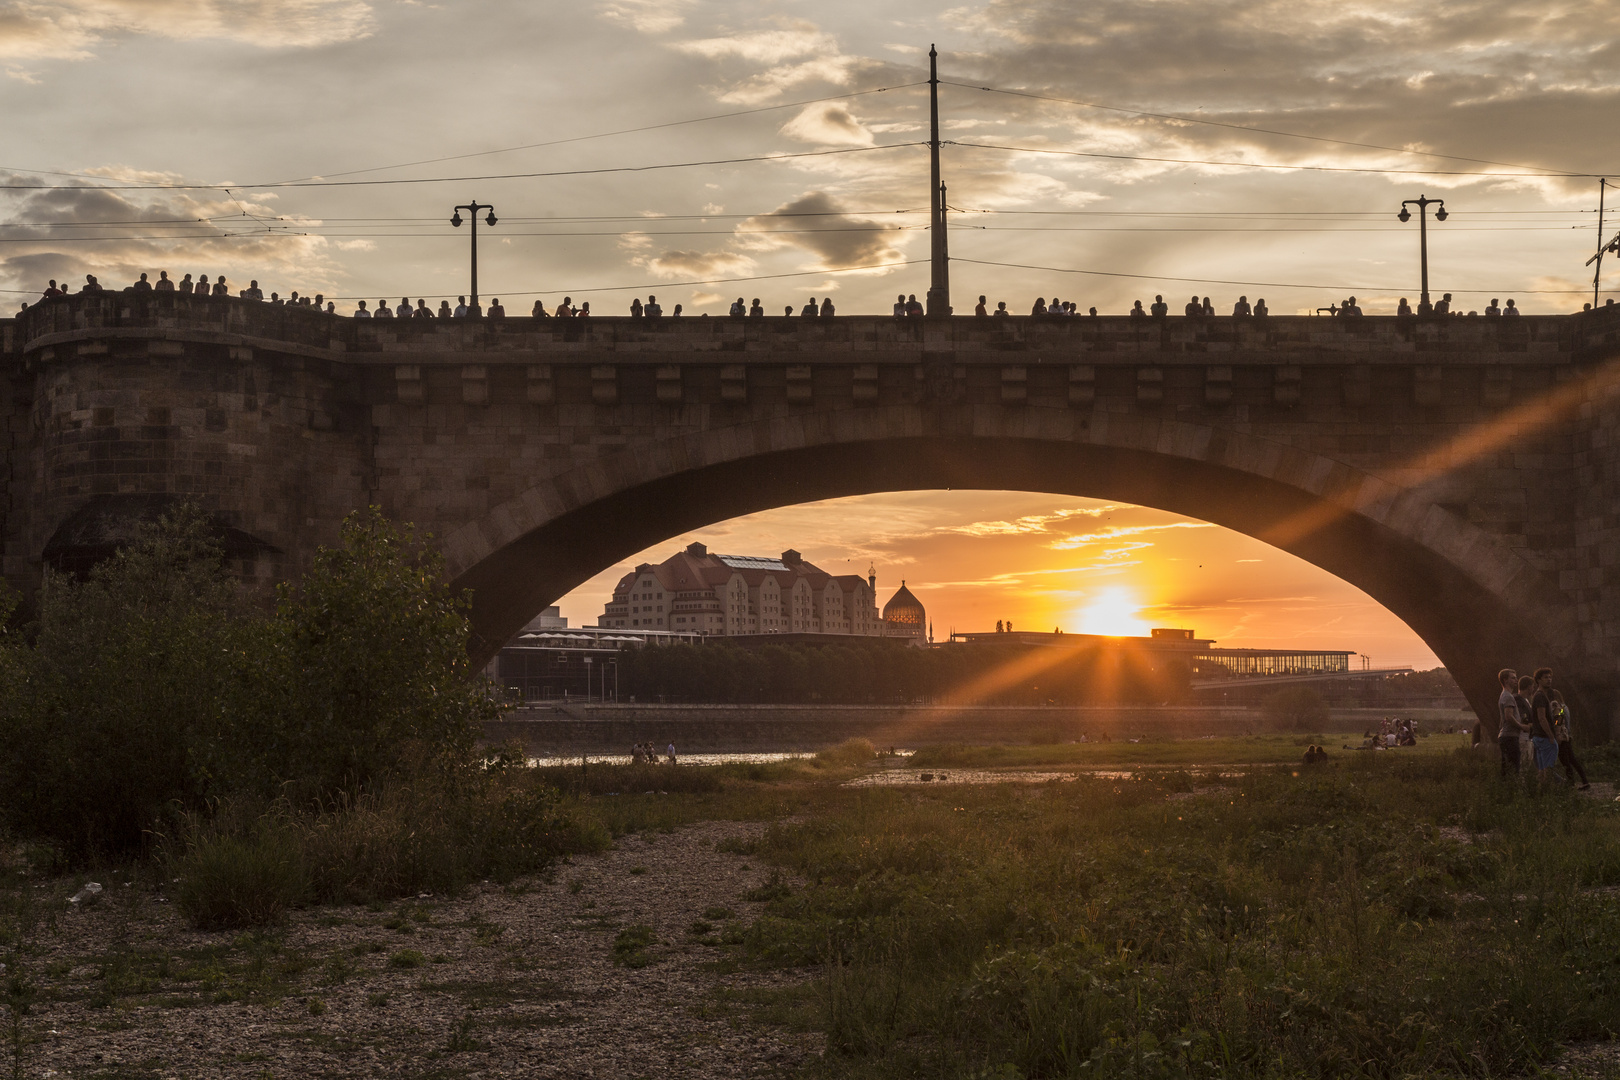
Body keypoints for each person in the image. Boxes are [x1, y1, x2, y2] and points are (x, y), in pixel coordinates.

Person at [1529, 668, 1562, 785]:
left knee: (1542, 771)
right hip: (1545, 737)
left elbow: (1557, 718)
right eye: (1545, 678)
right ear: (1538, 680)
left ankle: (1540, 794)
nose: (1549, 680)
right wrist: (1552, 735)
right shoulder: (1541, 697)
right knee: (1548, 770)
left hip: (1541, 737)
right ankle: (1548, 793)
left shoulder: (1541, 697)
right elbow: (1542, 718)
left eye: (1550, 677)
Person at [1551, 689, 1590, 789]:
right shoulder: (1564, 707)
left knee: (1565, 760)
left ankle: (1571, 782)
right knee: (1573, 760)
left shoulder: (1556, 706)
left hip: (1561, 736)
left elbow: (1558, 720)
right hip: (1567, 736)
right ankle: (1584, 780)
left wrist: (1557, 732)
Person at [1497, 667, 1526, 779]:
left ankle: (1505, 792)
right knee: (1514, 768)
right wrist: (1522, 726)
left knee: (1506, 769)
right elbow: (1509, 717)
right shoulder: (1508, 696)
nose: (1516, 680)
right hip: (1510, 737)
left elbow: (1503, 719)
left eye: (1516, 678)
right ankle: (1511, 792)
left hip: (1506, 736)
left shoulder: (1503, 695)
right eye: (1513, 678)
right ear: (1505, 680)